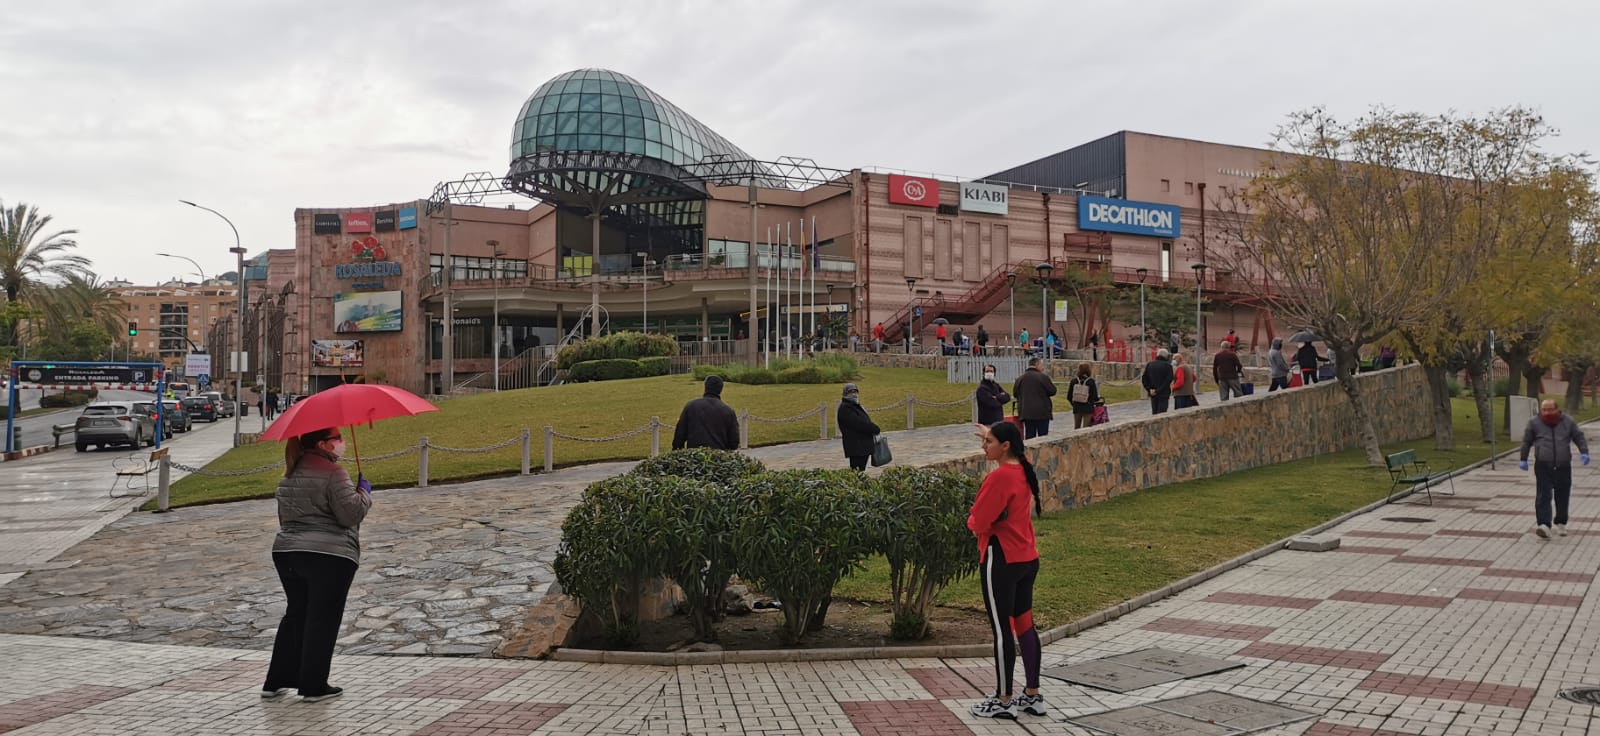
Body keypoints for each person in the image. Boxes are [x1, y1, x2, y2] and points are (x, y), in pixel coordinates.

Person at [263, 427, 371, 703]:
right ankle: (314, 684)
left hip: (288, 552)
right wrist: (364, 492)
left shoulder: (290, 473)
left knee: (296, 615)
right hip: (328, 555)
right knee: (322, 619)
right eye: (337, 438)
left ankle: (276, 680)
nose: (342, 442)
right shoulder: (334, 473)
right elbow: (350, 514)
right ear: (323, 444)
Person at [966, 420, 1045, 720]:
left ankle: (1003, 700)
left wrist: (971, 524)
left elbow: (980, 520)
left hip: (1002, 560)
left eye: (988, 442)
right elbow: (1011, 448)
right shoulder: (1023, 468)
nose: (983, 446)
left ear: (1006, 446)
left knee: (1002, 631)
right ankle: (1032, 695)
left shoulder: (999, 478)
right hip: (1027, 558)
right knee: (1025, 625)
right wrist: (994, 433)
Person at [1519, 400, 1590, 539]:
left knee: (1562, 494)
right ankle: (1544, 525)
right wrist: (1523, 458)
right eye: (1544, 410)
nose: (1546, 413)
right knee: (1543, 495)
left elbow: (1578, 437)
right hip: (1543, 465)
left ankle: (1561, 522)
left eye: (1550, 409)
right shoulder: (1534, 422)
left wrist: (1584, 452)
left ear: (1557, 410)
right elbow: (1526, 441)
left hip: (1563, 465)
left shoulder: (1567, 421)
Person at [671, 375, 740, 451]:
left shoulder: (691, 406)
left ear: (705, 388)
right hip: (719, 457)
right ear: (721, 390)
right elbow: (734, 442)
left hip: (694, 456)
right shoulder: (728, 411)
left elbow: (680, 435)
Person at [836, 383, 881, 472]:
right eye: (851, 392)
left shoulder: (854, 405)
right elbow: (859, 423)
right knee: (857, 470)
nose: (854, 394)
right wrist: (874, 428)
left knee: (860, 469)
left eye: (855, 391)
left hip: (862, 445)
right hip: (856, 445)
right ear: (845, 394)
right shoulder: (846, 408)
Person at [1012, 357, 1057, 439]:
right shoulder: (1043, 377)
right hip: (1041, 412)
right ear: (1037, 365)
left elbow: (1015, 394)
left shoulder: (1020, 379)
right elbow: (1052, 391)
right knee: (1043, 438)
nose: (1043, 368)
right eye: (1042, 365)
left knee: (1029, 437)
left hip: (1026, 412)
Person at [1142, 348, 1175, 415]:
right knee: (1162, 413)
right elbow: (1168, 381)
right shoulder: (1168, 366)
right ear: (1166, 356)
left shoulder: (1150, 364)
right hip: (1163, 393)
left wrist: (1149, 389)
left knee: (1154, 412)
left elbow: (1144, 379)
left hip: (1153, 393)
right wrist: (1158, 390)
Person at [1067, 363, 1100, 429]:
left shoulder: (1074, 381)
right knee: (1086, 427)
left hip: (1077, 407)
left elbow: (1069, 396)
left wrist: (1074, 403)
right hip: (1087, 407)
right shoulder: (1091, 381)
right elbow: (1095, 397)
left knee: (1077, 427)